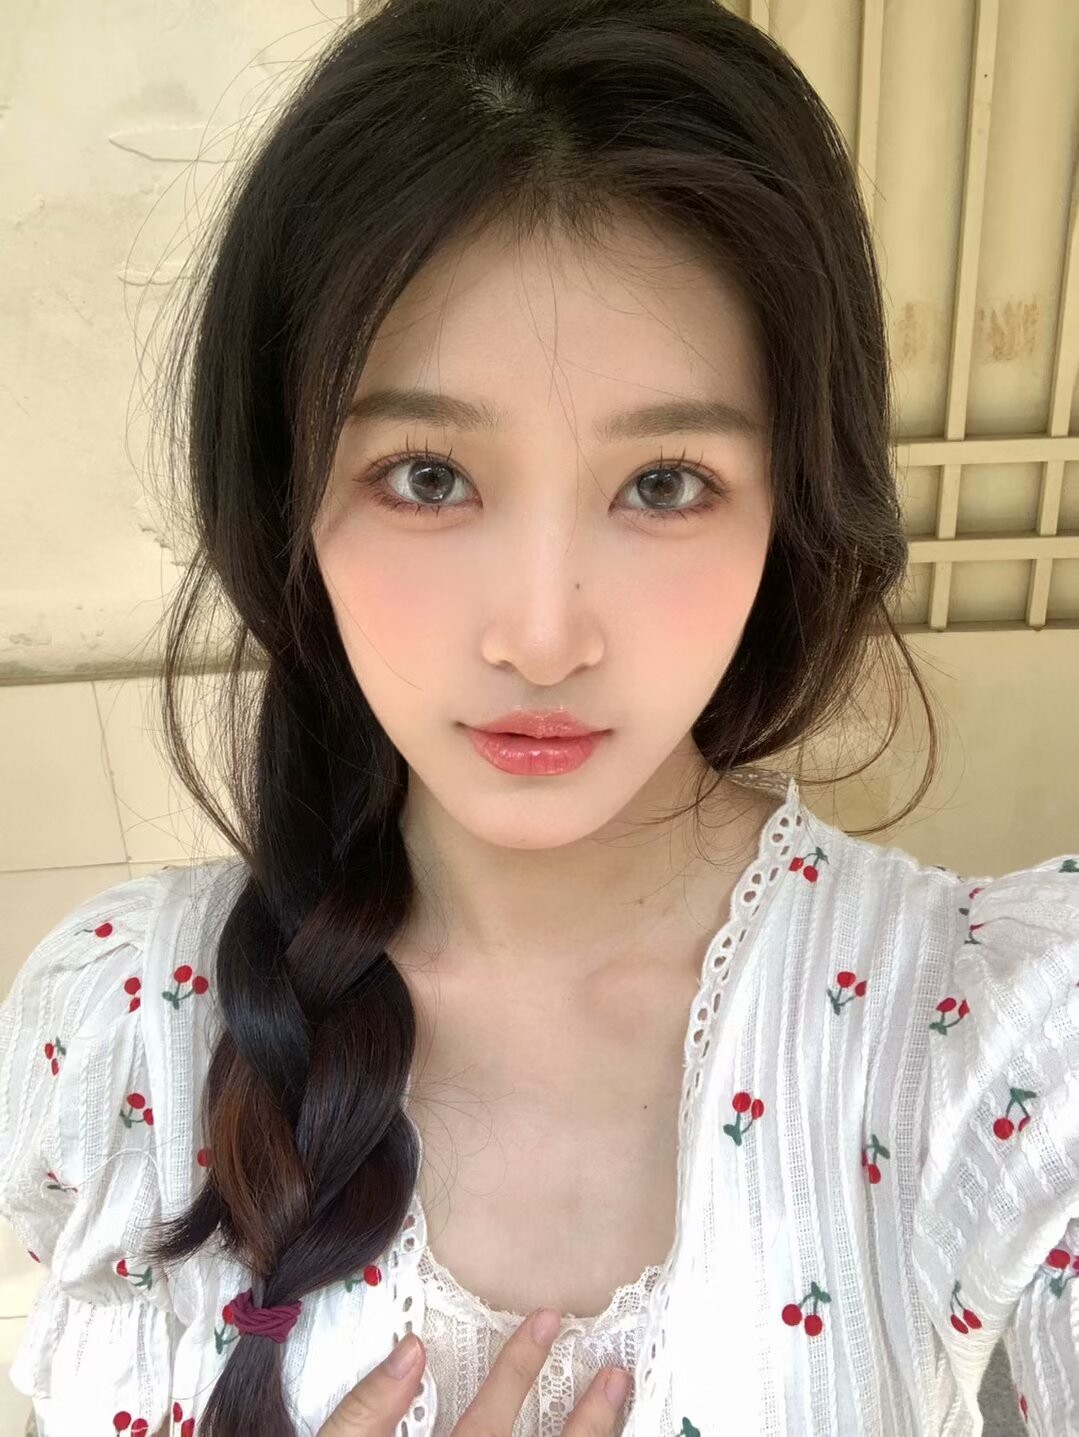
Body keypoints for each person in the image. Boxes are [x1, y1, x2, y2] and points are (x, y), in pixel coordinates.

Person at [2, 0, 1077, 1433]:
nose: (544, 637)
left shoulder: (990, 1046)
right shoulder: (126, 1032)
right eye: (429, 476)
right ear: (287, 494)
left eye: (665, 483)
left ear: (790, 506)